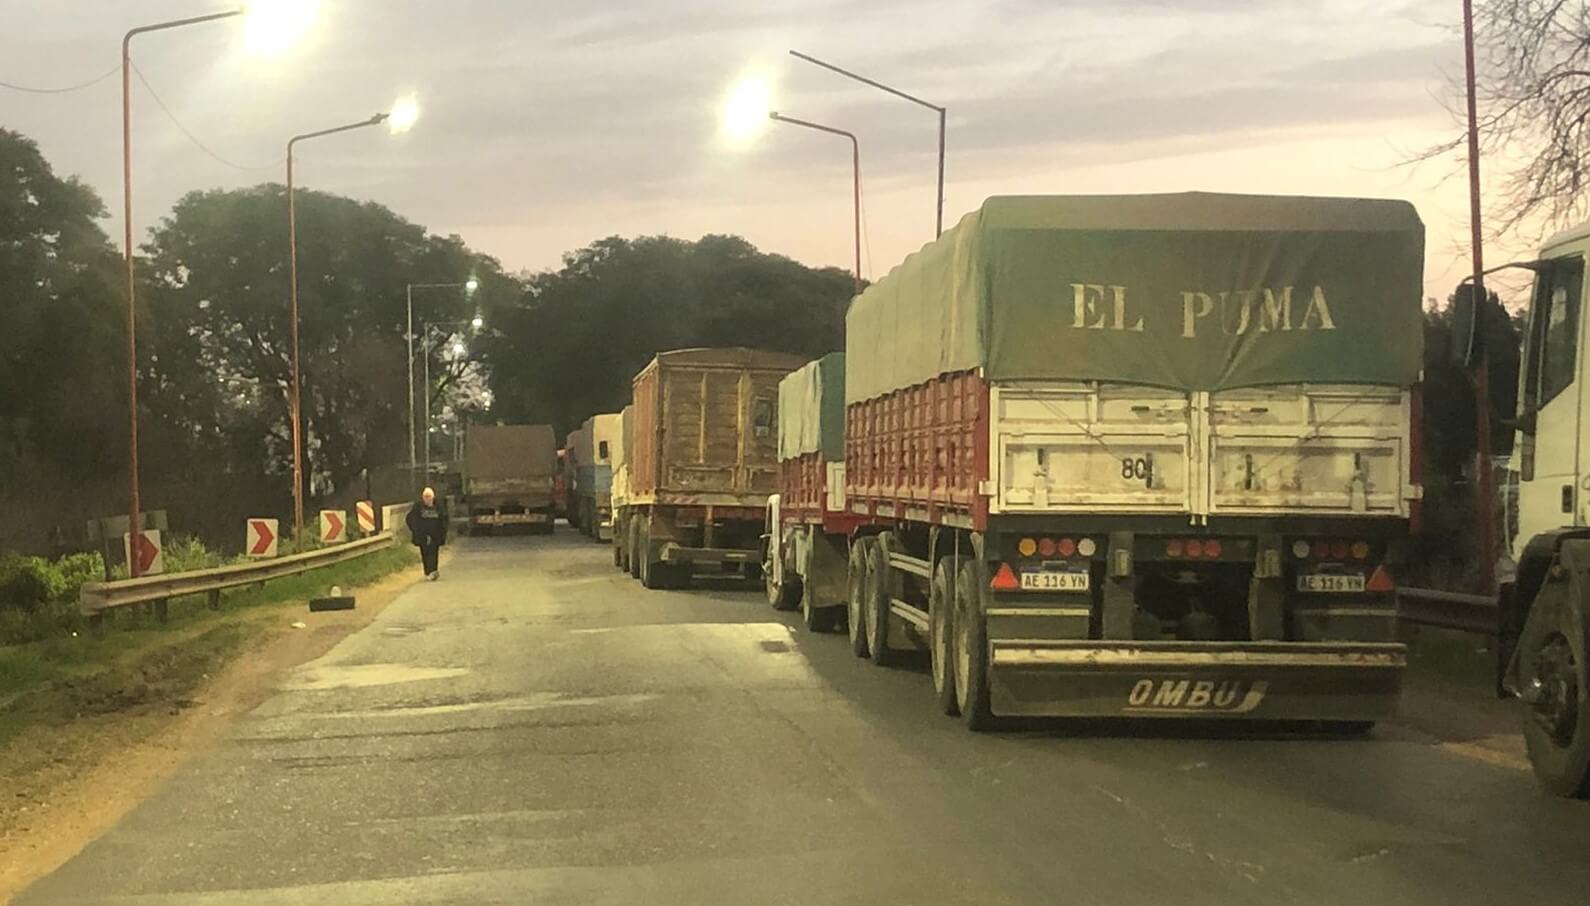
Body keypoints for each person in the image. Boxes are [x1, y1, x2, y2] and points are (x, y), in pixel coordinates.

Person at [406, 487, 448, 580]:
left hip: (435, 535)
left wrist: (443, 532)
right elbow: (410, 519)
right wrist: (415, 530)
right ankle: (427, 572)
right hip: (422, 535)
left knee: (434, 553)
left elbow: (444, 519)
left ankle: (433, 571)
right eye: (425, 497)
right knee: (425, 553)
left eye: (429, 497)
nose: (427, 499)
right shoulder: (418, 507)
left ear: (433, 497)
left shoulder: (438, 506)